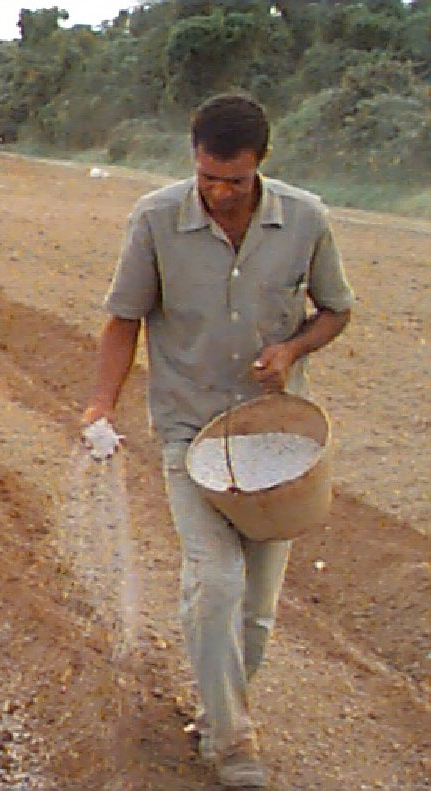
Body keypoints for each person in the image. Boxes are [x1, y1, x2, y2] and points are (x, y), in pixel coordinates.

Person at [80, 93, 353, 788]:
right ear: (193, 158)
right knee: (216, 581)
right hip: (187, 428)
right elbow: (123, 320)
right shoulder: (156, 219)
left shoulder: (306, 219)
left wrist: (292, 350)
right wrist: (98, 406)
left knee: (256, 613)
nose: (220, 193)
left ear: (261, 163)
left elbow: (336, 310)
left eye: (234, 180)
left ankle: (215, 708)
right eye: (208, 178)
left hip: (274, 438)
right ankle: (233, 744)